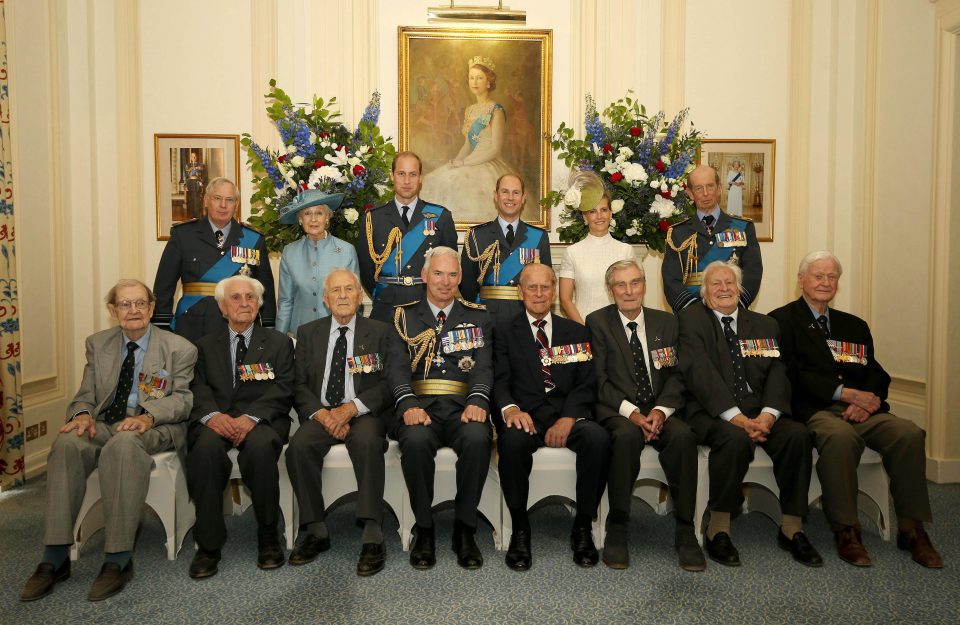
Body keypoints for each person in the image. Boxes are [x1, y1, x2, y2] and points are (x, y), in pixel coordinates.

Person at [20, 280, 197, 602]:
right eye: (126, 305)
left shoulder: (178, 347)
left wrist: (147, 416)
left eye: (140, 303)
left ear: (152, 307)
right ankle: (54, 556)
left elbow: (183, 400)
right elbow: (85, 395)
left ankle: (117, 559)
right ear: (112, 311)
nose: (134, 311)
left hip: (153, 426)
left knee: (124, 443)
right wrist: (82, 415)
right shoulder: (98, 344)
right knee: (67, 442)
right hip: (105, 424)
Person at [770, 251, 943, 568]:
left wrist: (870, 400)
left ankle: (912, 528)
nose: (825, 282)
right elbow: (789, 374)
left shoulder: (853, 325)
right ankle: (847, 529)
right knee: (840, 438)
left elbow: (875, 371)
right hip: (817, 409)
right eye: (818, 276)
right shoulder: (780, 321)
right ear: (801, 280)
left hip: (863, 411)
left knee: (908, 433)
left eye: (832, 276)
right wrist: (844, 393)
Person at [677, 261, 822, 568]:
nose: (724, 289)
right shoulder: (691, 322)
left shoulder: (765, 325)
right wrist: (736, 418)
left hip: (760, 411)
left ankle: (792, 528)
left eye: (730, 283)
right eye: (715, 284)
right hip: (711, 413)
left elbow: (777, 374)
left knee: (798, 434)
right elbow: (698, 373)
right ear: (704, 293)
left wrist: (768, 416)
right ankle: (719, 528)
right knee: (734, 439)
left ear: (740, 289)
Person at [584, 260, 704, 571]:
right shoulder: (597, 322)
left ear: (644, 285)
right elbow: (599, 380)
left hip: (661, 408)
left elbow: (679, 375)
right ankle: (618, 525)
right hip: (618, 410)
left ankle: (685, 529)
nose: (629, 291)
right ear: (611, 291)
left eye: (635, 282)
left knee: (684, 437)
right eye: (621, 285)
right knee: (624, 437)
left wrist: (661, 412)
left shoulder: (667, 323)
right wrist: (634, 414)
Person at [493, 262, 610, 571]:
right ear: (520, 292)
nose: (539, 293)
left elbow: (587, 382)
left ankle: (583, 525)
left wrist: (569, 418)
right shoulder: (504, 330)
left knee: (598, 439)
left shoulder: (576, 331)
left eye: (546, 286)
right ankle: (520, 527)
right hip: (525, 417)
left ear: (556, 291)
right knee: (511, 444)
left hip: (566, 416)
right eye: (531, 287)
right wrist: (512, 410)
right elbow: (500, 380)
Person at [387, 246, 493, 570]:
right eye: (438, 273)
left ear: (460, 278)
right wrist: (408, 404)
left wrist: (477, 400)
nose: (445, 282)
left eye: (451, 274)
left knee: (478, 439)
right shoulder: (403, 316)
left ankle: (465, 530)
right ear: (424, 276)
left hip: (462, 407)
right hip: (420, 407)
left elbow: (484, 367)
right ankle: (425, 529)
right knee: (416, 442)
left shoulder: (478, 316)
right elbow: (396, 368)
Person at [185, 275, 294, 579]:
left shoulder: (279, 343)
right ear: (222, 308)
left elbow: (284, 388)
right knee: (204, 450)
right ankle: (208, 545)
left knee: (260, 449)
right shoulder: (204, 346)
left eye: (250, 297)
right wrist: (213, 417)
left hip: (261, 420)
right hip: (217, 419)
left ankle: (268, 533)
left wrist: (251, 417)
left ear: (259, 305)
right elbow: (197, 386)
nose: (244, 303)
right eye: (235, 298)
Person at [285, 269, 393, 577]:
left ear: (361, 297)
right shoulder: (308, 332)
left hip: (363, 413)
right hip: (321, 413)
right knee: (298, 447)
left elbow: (388, 384)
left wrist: (350, 409)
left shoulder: (381, 331)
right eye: (336, 291)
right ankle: (316, 529)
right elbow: (298, 385)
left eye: (349, 290)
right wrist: (322, 415)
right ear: (325, 298)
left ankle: (372, 532)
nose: (343, 295)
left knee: (368, 442)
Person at [153, 177, 276, 343]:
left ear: (236, 205)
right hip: (193, 325)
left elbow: (265, 289)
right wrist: (162, 325)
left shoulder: (253, 239)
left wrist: (268, 326)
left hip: (240, 323)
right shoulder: (183, 235)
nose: (223, 205)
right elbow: (164, 285)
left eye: (229, 200)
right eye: (217, 198)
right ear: (206, 200)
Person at [356, 152, 457, 323]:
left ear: (420, 178)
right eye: (401, 174)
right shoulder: (373, 218)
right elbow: (366, 269)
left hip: (427, 307)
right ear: (392, 176)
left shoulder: (441, 217)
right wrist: (384, 292)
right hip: (386, 308)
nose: (407, 181)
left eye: (413, 174)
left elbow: (451, 266)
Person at [420, 56, 517, 223]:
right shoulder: (470, 110)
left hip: (487, 164)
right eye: (471, 77)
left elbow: (495, 150)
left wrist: (465, 164)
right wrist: (457, 161)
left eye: (479, 77)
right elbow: (467, 145)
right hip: (468, 161)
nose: (475, 81)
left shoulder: (496, 110)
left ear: (488, 82)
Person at [662, 165, 762, 314]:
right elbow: (671, 280)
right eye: (698, 188)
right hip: (692, 318)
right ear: (690, 193)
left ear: (719, 188)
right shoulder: (677, 233)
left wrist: (732, 306)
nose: (706, 193)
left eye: (710, 186)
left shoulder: (743, 227)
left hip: (732, 312)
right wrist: (696, 313)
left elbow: (753, 272)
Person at [460, 173, 551, 322]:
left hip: (527, 317)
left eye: (516, 193)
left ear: (523, 198)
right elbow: (467, 286)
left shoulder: (538, 236)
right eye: (505, 192)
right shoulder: (476, 235)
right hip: (486, 318)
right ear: (496, 196)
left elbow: (546, 283)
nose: (510, 198)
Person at [275, 190, 359, 335]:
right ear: (300, 219)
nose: (313, 219)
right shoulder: (290, 252)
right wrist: (279, 340)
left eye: (319, 213)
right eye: (307, 213)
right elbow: (285, 302)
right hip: (300, 334)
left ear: (327, 217)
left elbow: (354, 299)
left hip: (337, 334)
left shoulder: (347, 251)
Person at [558, 170, 635, 323]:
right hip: (584, 329)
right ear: (585, 217)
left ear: (611, 213)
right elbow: (565, 300)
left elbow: (631, 295)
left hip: (619, 330)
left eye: (604, 210)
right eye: (593, 211)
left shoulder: (626, 251)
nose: (599, 216)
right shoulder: (572, 252)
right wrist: (584, 329)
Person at [184, 151, 206, 220]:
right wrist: (185, 185)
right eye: (192, 156)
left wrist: (201, 182)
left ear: (196, 157)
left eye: (195, 156)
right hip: (189, 182)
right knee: (191, 199)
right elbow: (186, 176)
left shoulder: (200, 164)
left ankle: (197, 215)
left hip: (197, 182)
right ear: (190, 158)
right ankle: (193, 215)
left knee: (197, 199)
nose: (193, 158)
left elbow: (203, 174)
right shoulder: (187, 165)